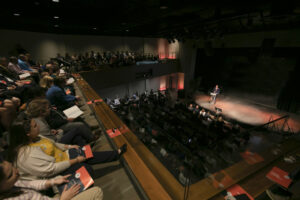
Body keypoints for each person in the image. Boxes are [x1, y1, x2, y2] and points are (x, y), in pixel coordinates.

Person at [7, 118, 127, 181]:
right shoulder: (28, 153)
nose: (38, 126)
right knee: (87, 168)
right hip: (58, 169)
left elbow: (54, 144)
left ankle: (116, 154)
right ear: (27, 134)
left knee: (86, 152)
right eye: (34, 126)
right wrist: (75, 160)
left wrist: (69, 147)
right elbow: (50, 170)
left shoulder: (38, 136)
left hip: (64, 156)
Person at [0, 158, 103, 200]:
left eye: (13, 167)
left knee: (80, 179)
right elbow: (50, 169)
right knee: (97, 192)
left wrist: (54, 181)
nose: (16, 171)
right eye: (10, 175)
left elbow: (32, 184)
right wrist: (63, 199)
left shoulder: (13, 184)